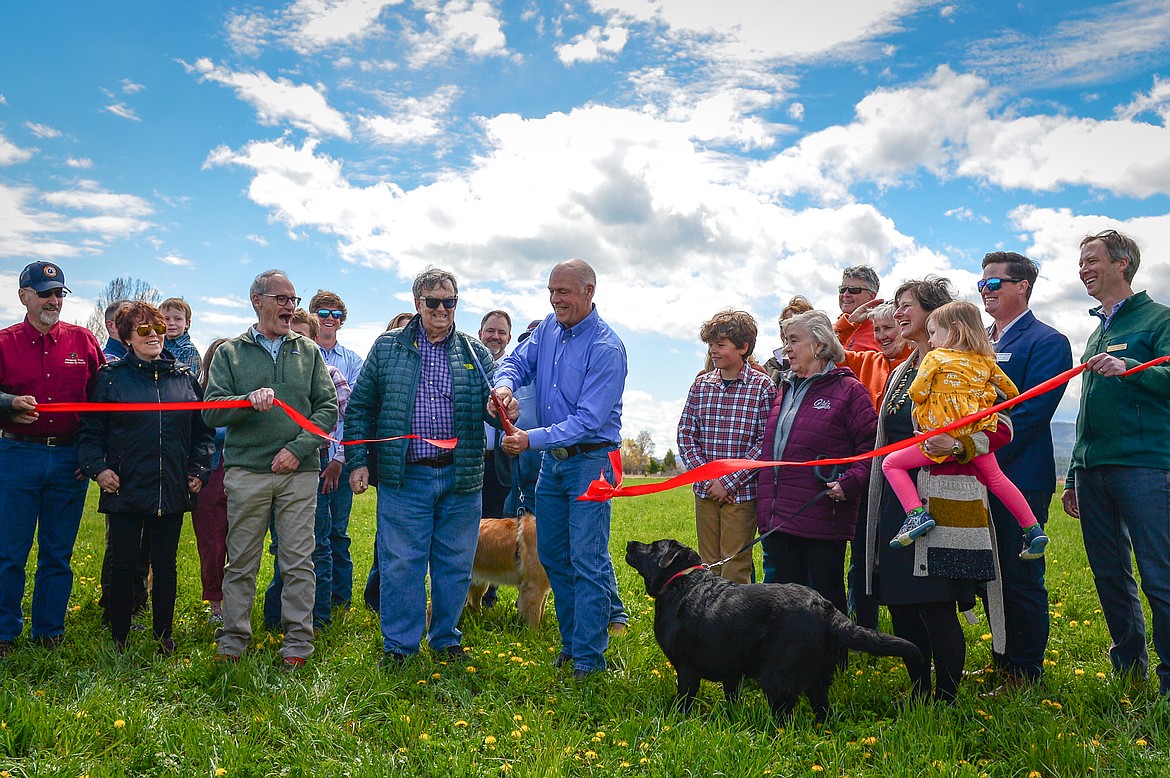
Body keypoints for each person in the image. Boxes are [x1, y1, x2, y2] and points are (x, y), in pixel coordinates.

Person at [345, 268, 511, 667]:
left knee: (455, 564)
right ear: (417, 303)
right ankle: (400, 647)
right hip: (406, 476)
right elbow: (361, 408)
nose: (441, 309)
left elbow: (494, 409)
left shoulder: (474, 352)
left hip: (462, 476)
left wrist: (503, 409)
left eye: (449, 302)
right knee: (401, 563)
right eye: (433, 301)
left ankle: (445, 638)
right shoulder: (387, 348)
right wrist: (356, 462)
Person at [866, 277, 1010, 703]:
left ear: (934, 312)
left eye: (905, 305)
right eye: (895, 304)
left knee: (935, 601)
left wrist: (961, 444)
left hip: (945, 500)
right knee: (903, 602)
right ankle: (919, 691)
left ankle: (946, 696)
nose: (897, 313)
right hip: (898, 500)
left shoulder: (965, 364)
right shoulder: (901, 371)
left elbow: (1004, 426)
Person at [494, 259, 627, 679]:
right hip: (554, 465)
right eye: (551, 291)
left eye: (564, 292)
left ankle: (588, 660)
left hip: (591, 461)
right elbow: (516, 362)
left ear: (589, 291)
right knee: (553, 556)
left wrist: (529, 438)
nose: (555, 299)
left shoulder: (606, 348)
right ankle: (571, 646)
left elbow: (588, 419)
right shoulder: (548, 330)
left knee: (586, 560)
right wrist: (504, 385)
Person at [203, 270, 338, 669]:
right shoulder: (230, 353)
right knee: (242, 560)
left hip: (298, 475)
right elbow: (210, 411)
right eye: (281, 299)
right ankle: (233, 641)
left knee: (298, 561)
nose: (289, 307)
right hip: (247, 474)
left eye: (293, 300)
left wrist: (298, 450)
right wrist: (246, 400)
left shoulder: (309, 352)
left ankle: (298, 645)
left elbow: (327, 409)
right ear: (256, 301)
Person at [1062, 228, 1170, 696]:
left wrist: (1133, 371)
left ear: (1122, 264)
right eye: (1081, 262)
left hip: (1145, 468)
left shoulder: (1159, 320)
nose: (1082, 269)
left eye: (1091, 260)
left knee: (1158, 574)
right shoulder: (1095, 332)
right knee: (1109, 574)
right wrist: (1071, 474)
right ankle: (1130, 667)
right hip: (1092, 470)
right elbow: (1087, 408)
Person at [77, 302, 214, 653]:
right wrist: (99, 469)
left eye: (156, 328)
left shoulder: (183, 379)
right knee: (124, 564)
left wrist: (198, 470)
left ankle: (163, 635)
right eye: (142, 330)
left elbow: (202, 435)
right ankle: (119, 636)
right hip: (124, 486)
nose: (153, 335)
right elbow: (91, 433)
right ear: (126, 338)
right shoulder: (111, 379)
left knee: (165, 565)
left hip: (170, 486)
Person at [882, 301, 1049, 559]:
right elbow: (1012, 394)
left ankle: (915, 515)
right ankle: (1033, 528)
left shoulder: (935, 358)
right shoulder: (986, 361)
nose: (932, 340)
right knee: (998, 480)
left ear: (955, 330)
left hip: (941, 439)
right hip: (973, 434)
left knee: (891, 464)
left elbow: (916, 393)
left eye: (934, 332)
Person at [0, 261, 105, 656]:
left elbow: (101, 403)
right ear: (24, 296)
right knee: (9, 551)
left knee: (58, 553)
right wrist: (8, 404)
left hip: (68, 460)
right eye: (45, 293)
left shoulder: (83, 342)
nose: (54, 300)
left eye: (59, 293)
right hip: (15, 456)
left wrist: (93, 456)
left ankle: (49, 630)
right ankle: (4, 633)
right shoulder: (3, 342)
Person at [978, 251, 1071, 687]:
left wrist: (978, 450)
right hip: (973, 476)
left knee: (1020, 575)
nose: (984, 290)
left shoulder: (1048, 342)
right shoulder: (976, 340)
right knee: (987, 574)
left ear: (1022, 287)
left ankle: (1026, 668)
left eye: (994, 283)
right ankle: (1002, 655)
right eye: (981, 283)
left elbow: (1031, 415)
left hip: (1020, 478)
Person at [756, 311, 876, 615]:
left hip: (822, 517)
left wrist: (850, 483)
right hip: (779, 516)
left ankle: (835, 662)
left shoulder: (849, 391)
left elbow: (872, 448)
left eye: (794, 340)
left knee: (826, 606)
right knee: (784, 608)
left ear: (820, 345)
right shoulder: (783, 389)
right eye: (785, 341)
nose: (787, 349)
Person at [263, 309, 351, 632]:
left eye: (301, 336)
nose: (293, 342)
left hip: (317, 468)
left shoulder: (330, 374)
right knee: (282, 545)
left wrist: (337, 460)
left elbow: (346, 422)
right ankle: (277, 614)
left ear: (314, 340)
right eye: (289, 336)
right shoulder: (277, 373)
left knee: (320, 544)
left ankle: (320, 615)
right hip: (281, 469)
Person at [677, 310, 776, 583]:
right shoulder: (701, 385)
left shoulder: (762, 387)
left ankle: (736, 623)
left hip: (741, 494)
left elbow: (763, 442)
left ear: (743, 348)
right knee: (708, 565)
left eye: (720, 345)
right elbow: (686, 434)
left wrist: (730, 482)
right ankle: (709, 621)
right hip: (705, 491)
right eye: (710, 345)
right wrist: (710, 479)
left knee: (735, 565)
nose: (713, 351)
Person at [838, 301, 911, 629]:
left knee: (897, 555)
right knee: (862, 555)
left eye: (888, 328)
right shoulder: (866, 361)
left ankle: (905, 629)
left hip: (905, 474)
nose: (881, 336)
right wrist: (849, 323)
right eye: (876, 330)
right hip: (869, 473)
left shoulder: (917, 364)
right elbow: (829, 346)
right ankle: (863, 627)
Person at [308, 290, 364, 611]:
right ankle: (312, 600)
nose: (329, 319)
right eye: (323, 313)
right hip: (307, 456)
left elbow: (351, 411)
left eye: (335, 314)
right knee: (312, 533)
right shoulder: (301, 352)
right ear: (313, 316)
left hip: (339, 458)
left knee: (338, 532)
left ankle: (341, 599)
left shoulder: (353, 361)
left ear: (342, 321)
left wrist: (339, 459)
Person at [191, 338, 230, 627]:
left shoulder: (246, 393)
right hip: (210, 475)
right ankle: (216, 603)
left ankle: (239, 597)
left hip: (245, 472)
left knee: (242, 541)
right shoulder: (197, 395)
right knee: (212, 543)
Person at [478, 310, 514, 518]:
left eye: (501, 332)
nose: (495, 336)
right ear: (480, 333)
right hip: (471, 464)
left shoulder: (517, 374)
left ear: (509, 338)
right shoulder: (467, 368)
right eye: (490, 330)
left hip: (503, 467)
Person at [834, 266, 882, 352]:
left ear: (872, 296)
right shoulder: (830, 329)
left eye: (854, 290)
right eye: (843, 289)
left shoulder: (884, 331)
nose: (846, 294)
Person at [159, 297, 202, 374]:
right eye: (166, 319)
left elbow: (189, 381)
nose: (171, 323)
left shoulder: (189, 350)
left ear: (187, 324)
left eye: (177, 319)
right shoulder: (158, 346)